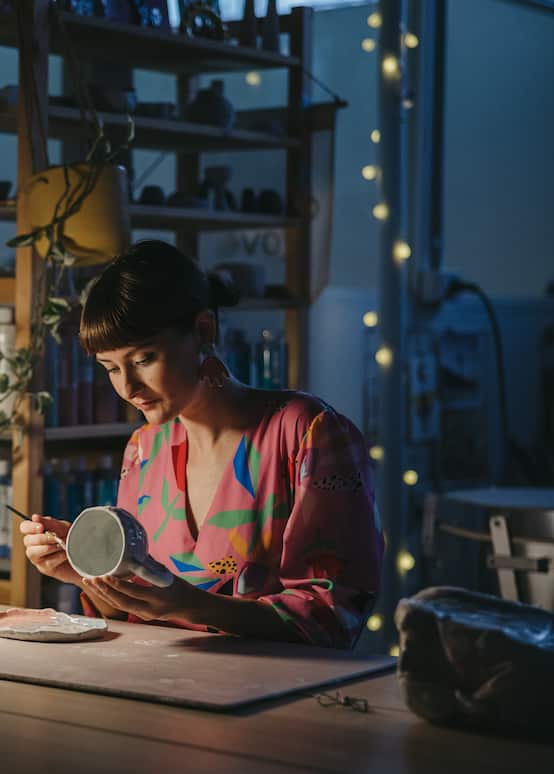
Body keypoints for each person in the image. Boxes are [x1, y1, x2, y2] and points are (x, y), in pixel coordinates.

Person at [21, 240, 383, 648]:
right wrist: (85, 568)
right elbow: (136, 614)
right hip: (161, 690)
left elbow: (335, 614)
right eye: (110, 368)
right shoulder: (144, 451)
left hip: (275, 698)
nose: (128, 387)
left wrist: (191, 606)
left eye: (143, 360)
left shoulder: (307, 433)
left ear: (203, 330)